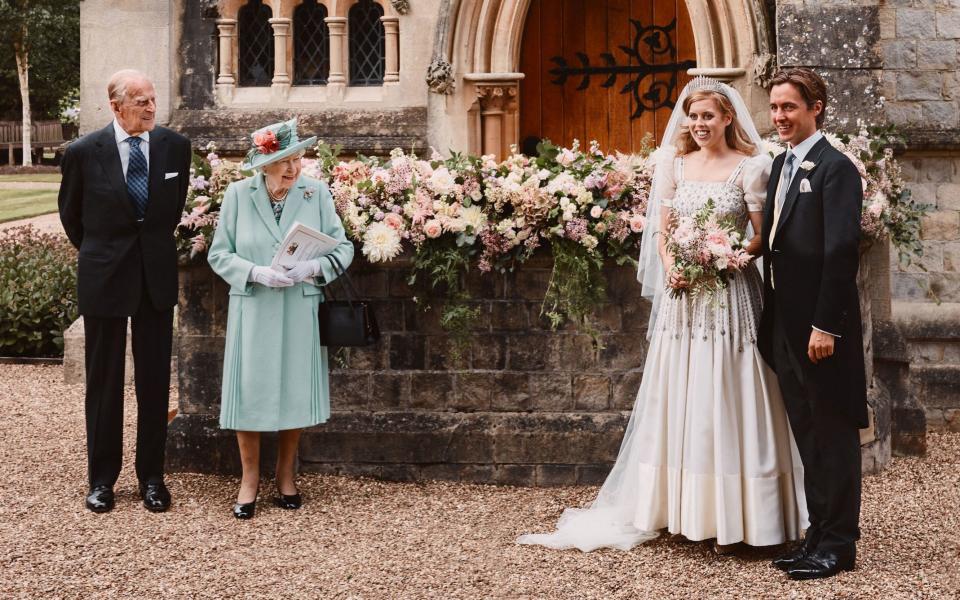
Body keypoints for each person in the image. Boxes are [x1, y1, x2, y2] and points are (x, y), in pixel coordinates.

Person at [518, 76, 806, 552]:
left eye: (708, 116)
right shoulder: (674, 163)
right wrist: (675, 266)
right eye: (693, 117)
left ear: (727, 118)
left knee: (731, 391)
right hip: (684, 299)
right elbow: (661, 231)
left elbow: (761, 235)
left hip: (730, 295)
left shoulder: (752, 167)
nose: (699, 125)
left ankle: (746, 515)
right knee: (684, 390)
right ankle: (680, 508)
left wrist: (727, 256)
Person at [58, 69, 192, 513]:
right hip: (104, 276)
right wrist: (106, 255)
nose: (152, 108)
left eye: (153, 100)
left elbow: (170, 214)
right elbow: (72, 218)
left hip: (155, 278)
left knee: (154, 383)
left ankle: (152, 477)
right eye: (142, 101)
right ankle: (101, 481)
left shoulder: (176, 147)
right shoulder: (82, 152)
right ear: (116, 106)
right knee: (104, 382)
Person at [207, 118, 354, 519]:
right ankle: (249, 479)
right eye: (284, 160)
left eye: (298, 158)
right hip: (253, 304)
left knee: (293, 389)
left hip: (298, 304)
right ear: (263, 163)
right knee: (249, 391)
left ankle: (286, 474)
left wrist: (311, 269)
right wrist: (254, 272)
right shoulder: (238, 195)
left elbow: (343, 250)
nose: (293, 168)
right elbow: (219, 254)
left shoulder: (316, 193)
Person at [759, 68, 867, 580]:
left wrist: (826, 325)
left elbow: (842, 252)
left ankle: (840, 544)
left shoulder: (836, 168)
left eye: (789, 108)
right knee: (807, 434)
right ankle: (816, 534)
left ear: (816, 107)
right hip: (785, 324)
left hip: (822, 332)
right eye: (775, 107)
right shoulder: (782, 164)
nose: (780, 117)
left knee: (833, 433)